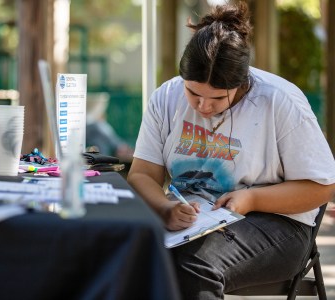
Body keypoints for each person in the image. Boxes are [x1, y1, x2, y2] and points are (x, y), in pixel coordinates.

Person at [127, 2, 335, 299]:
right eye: (193, 93)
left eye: (217, 98)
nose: (203, 106)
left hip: (278, 222)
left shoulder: (279, 101)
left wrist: (251, 198)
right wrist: (164, 208)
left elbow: (322, 187)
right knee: (129, 252)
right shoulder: (167, 97)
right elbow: (143, 174)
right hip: (194, 221)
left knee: (193, 264)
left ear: (241, 84)